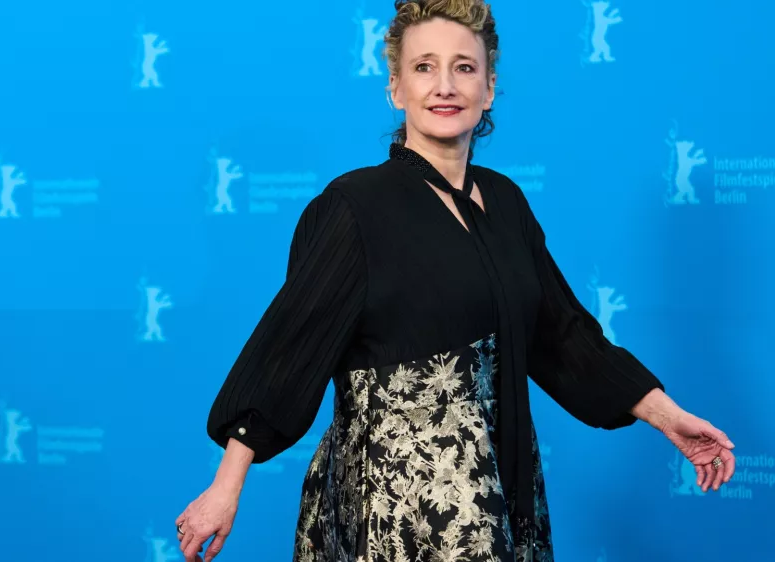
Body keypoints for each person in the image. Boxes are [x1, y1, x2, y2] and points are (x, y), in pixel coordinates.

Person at [175, 1, 737, 561]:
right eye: (424, 67)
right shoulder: (354, 207)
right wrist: (226, 488)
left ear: (489, 88)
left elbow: (564, 337)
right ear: (396, 88)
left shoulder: (507, 203)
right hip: (397, 502)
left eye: (463, 68)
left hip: (498, 485)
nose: (444, 85)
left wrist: (669, 419)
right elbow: (288, 348)